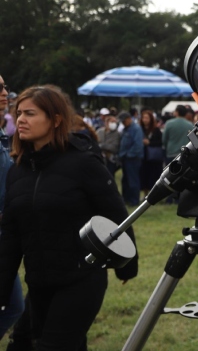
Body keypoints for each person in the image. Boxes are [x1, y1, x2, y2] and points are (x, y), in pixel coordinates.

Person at [0, 85, 138, 350]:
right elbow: (11, 238)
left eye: (30, 113)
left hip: (81, 279)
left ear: (56, 119)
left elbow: (115, 213)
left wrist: (126, 265)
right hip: (39, 282)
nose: (20, 120)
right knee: (20, 344)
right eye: (19, 113)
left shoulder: (83, 163)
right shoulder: (17, 171)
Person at [0, 75, 19, 339]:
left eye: (3, 87)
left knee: (14, 306)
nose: (4, 93)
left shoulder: (4, 134)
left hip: (6, 236)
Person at [117, 111, 144, 206]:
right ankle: (126, 199)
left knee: (133, 180)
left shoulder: (136, 129)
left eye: (124, 121)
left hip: (133, 159)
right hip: (125, 158)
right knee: (125, 181)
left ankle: (134, 201)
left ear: (129, 119)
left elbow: (138, 145)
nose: (123, 123)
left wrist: (128, 154)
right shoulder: (126, 129)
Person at [139, 109, 163, 195]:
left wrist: (150, 143)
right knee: (143, 175)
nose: (145, 120)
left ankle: (153, 193)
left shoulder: (156, 130)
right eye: (143, 118)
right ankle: (145, 193)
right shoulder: (140, 129)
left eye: (147, 118)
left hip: (153, 158)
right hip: (143, 157)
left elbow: (160, 142)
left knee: (153, 176)